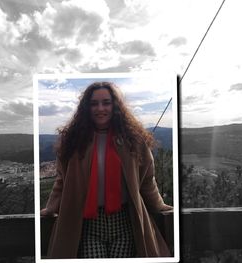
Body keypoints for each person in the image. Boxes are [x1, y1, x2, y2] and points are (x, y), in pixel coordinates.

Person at [41, 81, 173, 258]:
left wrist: (159, 205)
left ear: (115, 106)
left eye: (106, 102)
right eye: (94, 104)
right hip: (88, 223)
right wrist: (50, 208)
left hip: (124, 222)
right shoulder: (73, 141)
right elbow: (62, 181)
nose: (100, 108)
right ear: (86, 108)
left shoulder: (133, 140)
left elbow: (147, 180)